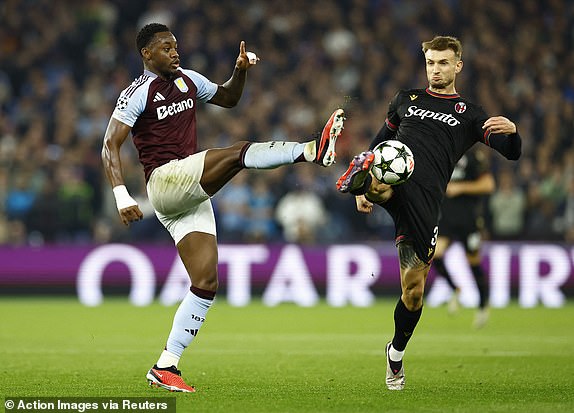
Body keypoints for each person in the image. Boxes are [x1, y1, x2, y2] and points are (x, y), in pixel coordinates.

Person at [101, 23, 345, 393]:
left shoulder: (188, 79)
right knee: (237, 153)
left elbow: (228, 98)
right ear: (147, 54)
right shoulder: (138, 92)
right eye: (166, 48)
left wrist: (240, 72)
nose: (175, 52)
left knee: (205, 283)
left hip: (189, 191)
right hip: (165, 183)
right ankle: (311, 150)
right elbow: (109, 144)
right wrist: (122, 195)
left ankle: (166, 365)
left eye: (176, 46)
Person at [336, 35, 521, 391]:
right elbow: (380, 141)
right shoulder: (406, 99)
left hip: (425, 203)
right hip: (393, 178)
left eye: (443, 63)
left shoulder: (470, 114)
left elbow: (510, 152)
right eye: (431, 63)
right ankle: (364, 181)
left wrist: (513, 135)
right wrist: (366, 180)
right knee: (380, 174)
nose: (435, 70)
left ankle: (395, 353)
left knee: (413, 291)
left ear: (457, 66)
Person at [432, 147, 495, 328]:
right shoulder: (442, 153)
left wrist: (460, 187)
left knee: (473, 262)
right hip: (445, 218)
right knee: (435, 255)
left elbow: (488, 184)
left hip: (468, 218)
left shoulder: (473, 156)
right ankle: (455, 289)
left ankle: (483, 306)